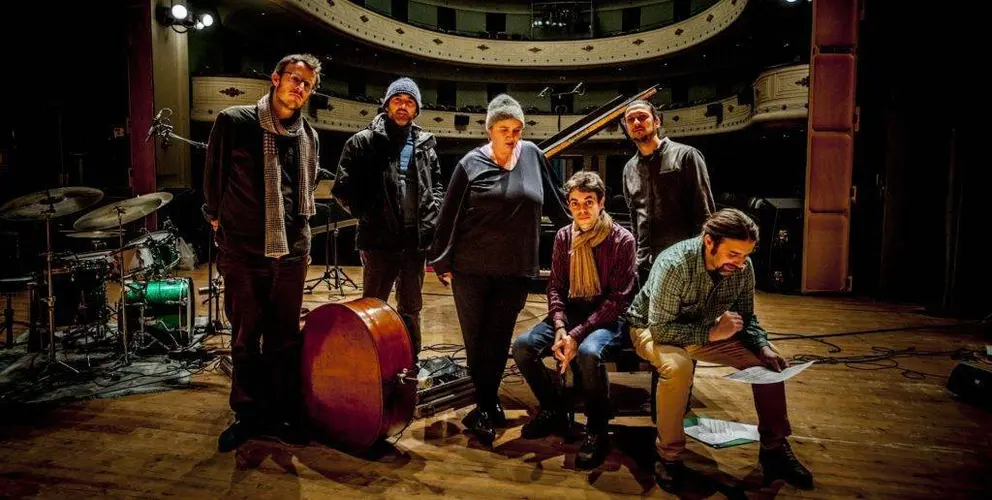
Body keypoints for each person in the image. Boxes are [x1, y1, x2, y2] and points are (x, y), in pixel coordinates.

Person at [626, 208, 813, 490]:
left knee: (768, 366)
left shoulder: (742, 269)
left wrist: (762, 346)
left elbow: (746, 319)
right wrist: (712, 332)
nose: (739, 263)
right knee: (677, 367)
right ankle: (669, 457)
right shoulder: (675, 264)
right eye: (733, 254)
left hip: (705, 331)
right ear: (709, 241)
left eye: (746, 255)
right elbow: (661, 329)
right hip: (650, 328)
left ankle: (774, 449)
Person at [428, 94, 570, 446]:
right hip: (471, 269)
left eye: (517, 129)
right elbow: (450, 214)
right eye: (505, 128)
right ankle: (486, 404)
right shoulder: (470, 164)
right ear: (490, 129)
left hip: (517, 269)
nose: (512, 135)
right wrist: (441, 260)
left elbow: (555, 203)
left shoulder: (534, 156)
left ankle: (487, 404)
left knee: (499, 338)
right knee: (477, 343)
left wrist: (583, 237)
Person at [203, 53, 321, 452]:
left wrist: (301, 245)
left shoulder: (309, 136)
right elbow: (213, 179)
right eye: (293, 79)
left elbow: (304, 191)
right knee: (245, 337)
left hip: (291, 253)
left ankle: (282, 412)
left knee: (285, 338)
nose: (298, 88)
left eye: (306, 84)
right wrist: (218, 220)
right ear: (275, 78)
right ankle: (248, 415)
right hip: (243, 251)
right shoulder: (235, 122)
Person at [512, 171, 636, 469]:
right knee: (522, 346)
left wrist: (576, 335)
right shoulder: (564, 236)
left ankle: (596, 428)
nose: (581, 209)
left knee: (588, 353)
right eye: (575, 203)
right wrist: (559, 326)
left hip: (607, 318)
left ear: (602, 202)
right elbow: (555, 287)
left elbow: (618, 299)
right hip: (570, 316)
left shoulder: (622, 240)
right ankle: (554, 409)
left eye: (588, 202)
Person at [331, 77, 442, 360]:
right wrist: (368, 215)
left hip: (414, 242)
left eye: (409, 102)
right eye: (397, 100)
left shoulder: (426, 144)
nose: (403, 106)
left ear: (416, 109)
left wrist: (432, 215)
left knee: (411, 308)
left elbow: (437, 186)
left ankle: (409, 362)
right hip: (378, 240)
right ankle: (371, 361)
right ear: (387, 104)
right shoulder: (362, 142)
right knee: (373, 305)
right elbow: (342, 188)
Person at [621, 100, 716, 285]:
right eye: (630, 120)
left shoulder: (687, 156)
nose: (636, 123)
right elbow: (634, 217)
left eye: (642, 117)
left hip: (682, 263)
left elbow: (705, 213)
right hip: (644, 265)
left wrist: (701, 262)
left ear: (656, 122)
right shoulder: (629, 168)